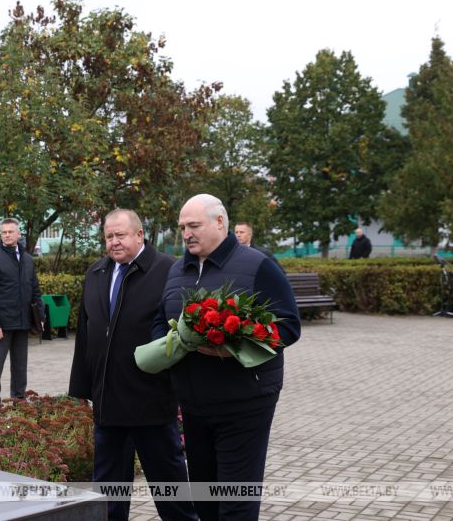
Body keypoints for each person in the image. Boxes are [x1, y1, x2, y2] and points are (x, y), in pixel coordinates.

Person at [153, 194, 301, 521]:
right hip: (193, 404)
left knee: (235, 500)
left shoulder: (258, 265)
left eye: (194, 226)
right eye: (182, 228)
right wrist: (163, 347)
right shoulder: (178, 269)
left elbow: (289, 325)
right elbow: (159, 320)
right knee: (205, 497)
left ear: (220, 222)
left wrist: (231, 345)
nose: (186, 234)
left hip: (245, 402)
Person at [69, 209, 197, 521]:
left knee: (170, 489)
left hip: (150, 400)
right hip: (107, 402)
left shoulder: (168, 269)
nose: (114, 242)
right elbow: (86, 334)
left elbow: (180, 332)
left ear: (139, 235)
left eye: (121, 235)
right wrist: (82, 389)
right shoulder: (96, 272)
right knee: (109, 493)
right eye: (109, 236)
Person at [0, 218, 45, 402]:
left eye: (10, 231)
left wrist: (40, 317)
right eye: (4, 232)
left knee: (20, 364)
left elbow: (35, 291)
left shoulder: (28, 260)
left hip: (22, 322)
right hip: (2, 324)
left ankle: (18, 399)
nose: (7, 235)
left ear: (18, 234)